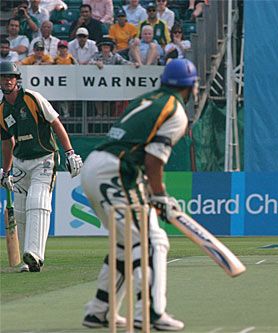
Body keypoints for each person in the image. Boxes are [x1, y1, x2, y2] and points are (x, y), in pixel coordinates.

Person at [80, 58, 198, 331]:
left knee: (126, 243)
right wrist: (160, 196)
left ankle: (99, 310)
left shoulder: (148, 98)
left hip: (98, 166)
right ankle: (151, 312)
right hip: (115, 171)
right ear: (190, 87)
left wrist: (154, 196)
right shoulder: (176, 112)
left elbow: (140, 154)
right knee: (152, 240)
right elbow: (153, 159)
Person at [0, 61, 83, 273]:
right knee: (19, 211)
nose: (7, 80)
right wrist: (6, 171)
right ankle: (29, 261)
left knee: (37, 201)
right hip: (20, 162)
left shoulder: (32, 98)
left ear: (17, 80)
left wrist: (70, 152)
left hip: (44, 158)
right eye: (3, 77)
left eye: (11, 77)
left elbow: (56, 123)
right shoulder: (1, 110)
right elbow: (8, 143)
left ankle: (35, 254)